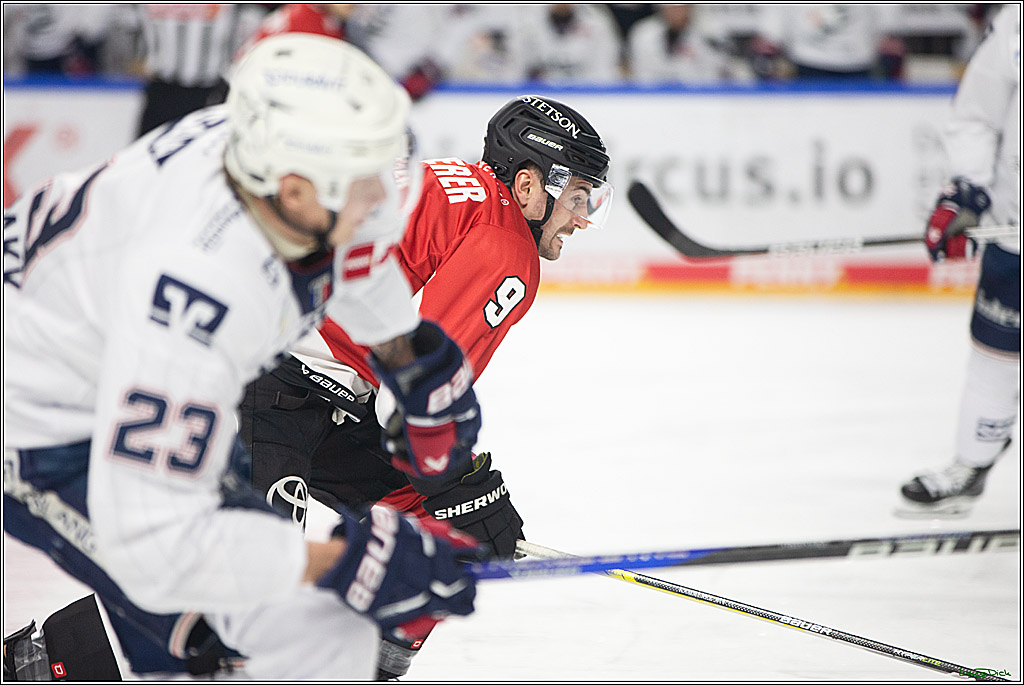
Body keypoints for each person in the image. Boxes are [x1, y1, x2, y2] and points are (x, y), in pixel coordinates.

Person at [3, 33, 483, 680]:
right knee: (232, 631)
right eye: (365, 182)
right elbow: (156, 539)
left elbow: (354, 256)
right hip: (39, 419)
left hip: (98, 351)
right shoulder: (201, 288)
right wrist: (344, 558)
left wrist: (414, 360)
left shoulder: (273, 157)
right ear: (291, 192)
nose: (382, 202)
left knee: (276, 630)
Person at [242, 93, 613, 678]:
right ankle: (48, 663)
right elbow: (416, 398)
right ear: (527, 186)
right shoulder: (504, 243)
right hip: (251, 372)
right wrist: (464, 487)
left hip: (310, 385)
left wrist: (459, 494)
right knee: (230, 599)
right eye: (576, 196)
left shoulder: (461, 190)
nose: (584, 215)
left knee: (434, 536)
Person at [898, 4, 1020, 517]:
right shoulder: (1016, 25)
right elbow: (976, 117)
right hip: (1016, 232)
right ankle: (971, 466)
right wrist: (967, 192)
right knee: (996, 353)